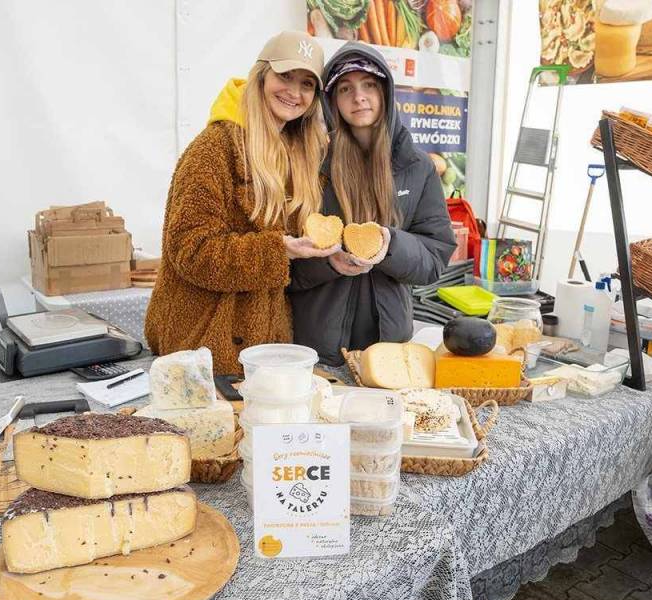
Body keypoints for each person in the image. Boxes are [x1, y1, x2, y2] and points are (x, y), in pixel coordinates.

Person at [144, 31, 338, 374]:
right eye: (285, 76)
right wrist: (278, 249)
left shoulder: (299, 155)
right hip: (203, 344)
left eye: (307, 84)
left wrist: (332, 259)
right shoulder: (213, 149)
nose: (294, 92)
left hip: (265, 347)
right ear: (261, 76)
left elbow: (291, 261)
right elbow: (190, 249)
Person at [288, 42, 456, 366]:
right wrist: (328, 262)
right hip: (317, 347)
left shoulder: (417, 167)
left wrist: (391, 245)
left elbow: (435, 258)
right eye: (345, 89)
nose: (358, 97)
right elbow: (286, 265)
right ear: (331, 100)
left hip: (388, 349)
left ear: (385, 93)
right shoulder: (310, 165)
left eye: (369, 85)